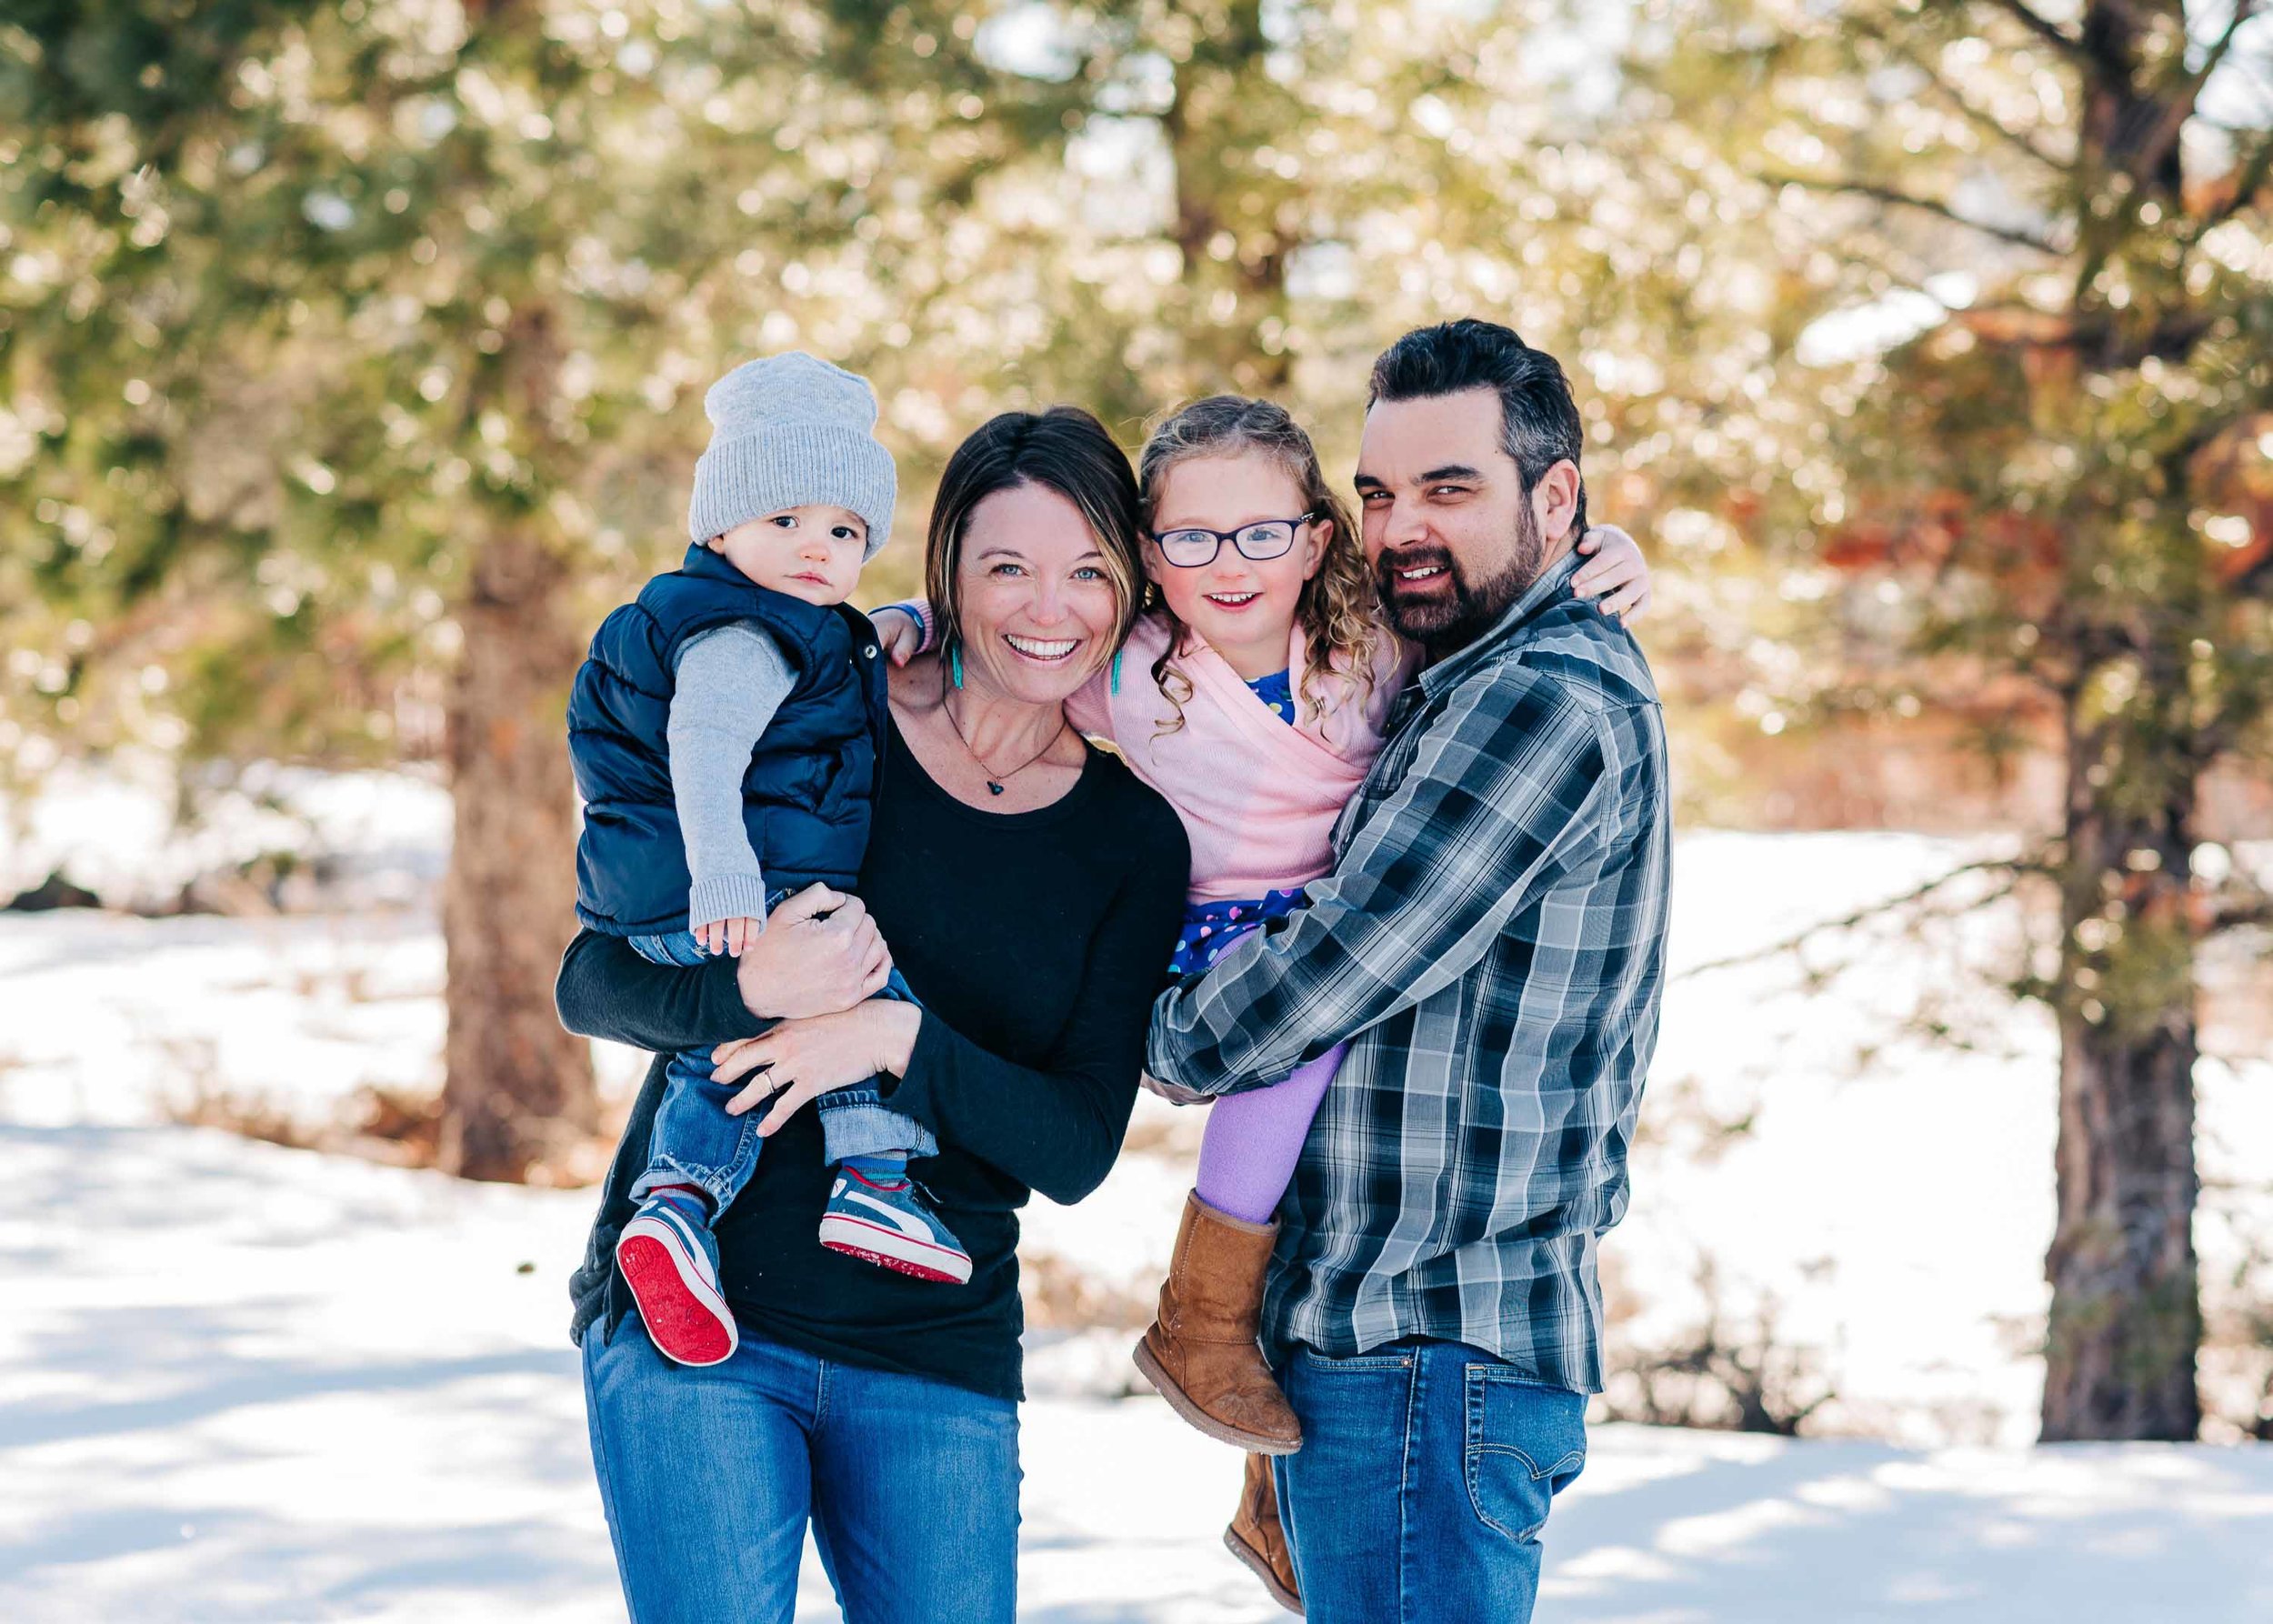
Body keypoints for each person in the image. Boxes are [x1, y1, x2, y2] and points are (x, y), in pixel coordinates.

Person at [873, 399, 1650, 1465]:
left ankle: (1264, 1456)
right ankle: (1202, 1315)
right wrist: (909, 623)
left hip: (1332, 917)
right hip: (1212, 937)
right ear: (1148, 550)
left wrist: (1606, 552)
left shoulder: (1372, 640)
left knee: (1329, 1136)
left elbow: (1489, 584)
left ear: (1318, 536)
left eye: (1260, 533)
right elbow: (1021, 640)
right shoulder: (1135, 672)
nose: (1227, 564)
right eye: (1189, 539)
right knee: (1293, 1052)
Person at [560, 406, 1189, 1624]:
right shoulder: (827, 714)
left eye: (1086, 571)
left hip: (936, 1350)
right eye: (1006, 565)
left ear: (1129, 584)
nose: (1046, 608)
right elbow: (592, 979)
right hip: (704, 1319)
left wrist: (890, 1040)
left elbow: (1071, 1145)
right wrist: (749, 988)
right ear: (945, 569)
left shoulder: (1131, 836)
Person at [1145, 319, 1674, 1623]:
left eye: (1451, 489)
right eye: (1378, 495)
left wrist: (1160, 1032)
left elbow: (1333, 961)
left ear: (1556, 498)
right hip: (1384, 1347)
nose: (1401, 531)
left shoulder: (1543, 697)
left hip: (1430, 1340)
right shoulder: (1451, 676)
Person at [566, 352, 965, 1376]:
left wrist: (904, 628)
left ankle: (675, 1205)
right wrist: (731, 882)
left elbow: (834, 656)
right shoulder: (738, 633)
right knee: (861, 982)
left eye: (842, 531)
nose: (815, 548)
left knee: (728, 1052)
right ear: (720, 524)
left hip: (660, 894)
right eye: (784, 520)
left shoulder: (763, 618)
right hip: (733, 887)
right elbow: (705, 746)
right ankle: (875, 1179)